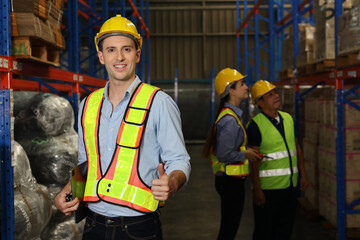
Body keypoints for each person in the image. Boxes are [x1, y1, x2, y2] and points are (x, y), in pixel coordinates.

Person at [54, 15, 191, 240]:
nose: (119, 57)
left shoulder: (158, 102)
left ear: (137, 54)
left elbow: (179, 160)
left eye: (126, 49)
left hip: (139, 227)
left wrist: (173, 182)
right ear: (100, 56)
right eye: (111, 50)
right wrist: (69, 188)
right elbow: (87, 162)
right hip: (93, 224)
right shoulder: (88, 104)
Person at [203, 68, 262, 240]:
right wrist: (246, 155)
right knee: (229, 230)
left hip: (230, 181)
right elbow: (224, 154)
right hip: (230, 182)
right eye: (242, 84)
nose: (247, 87)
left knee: (229, 227)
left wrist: (247, 152)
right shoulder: (229, 120)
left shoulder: (231, 115)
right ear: (231, 91)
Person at [246, 80, 309, 240]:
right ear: (260, 102)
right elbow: (253, 161)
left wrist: (303, 174)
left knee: (285, 231)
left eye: (275, 93)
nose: (276, 96)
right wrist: (257, 190)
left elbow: (296, 148)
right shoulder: (255, 125)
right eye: (270, 95)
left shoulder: (288, 118)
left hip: (290, 187)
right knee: (264, 232)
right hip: (268, 191)